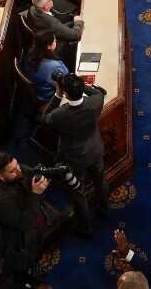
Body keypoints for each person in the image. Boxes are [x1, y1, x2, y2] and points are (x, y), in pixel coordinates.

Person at [38, 73, 109, 236]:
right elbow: (98, 92)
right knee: (100, 179)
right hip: (95, 149)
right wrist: (77, 83)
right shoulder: (96, 101)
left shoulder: (60, 115)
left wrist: (57, 94)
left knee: (78, 192)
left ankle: (85, 228)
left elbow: (44, 118)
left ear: (66, 94)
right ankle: (105, 209)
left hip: (74, 158)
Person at [0, 152, 56, 289]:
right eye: (12, 170)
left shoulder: (18, 170)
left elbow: (34, 175)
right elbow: (24, 224)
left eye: (17, 164)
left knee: (38, 248)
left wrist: (44, 176)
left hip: (38, 222)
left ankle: (34, 266)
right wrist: (36, 194)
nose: (19, 170)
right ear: (0, 176)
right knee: (22, 265)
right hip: (20, 238)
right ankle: (26, 280)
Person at [23, 0, 83, 66]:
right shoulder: (52, 23)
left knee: (70, 23)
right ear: (45, 6)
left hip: (43, 36)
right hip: (54, 46)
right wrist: (78, 22)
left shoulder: (32, 9)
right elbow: (75, 35)